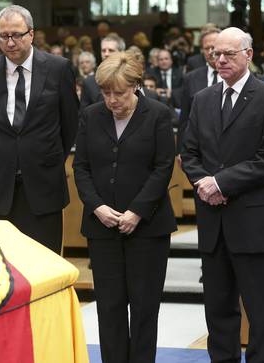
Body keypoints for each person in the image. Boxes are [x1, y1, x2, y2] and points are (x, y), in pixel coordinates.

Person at [181, 27, 264, 363]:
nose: (221, 60)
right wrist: (205, 184)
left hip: (251, 221)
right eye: (216, 54)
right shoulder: (203, 99)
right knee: (218, 308)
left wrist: (221, 183)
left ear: (249, 55)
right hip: (213, 222)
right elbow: (189, 153)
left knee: (258, 309)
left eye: (229, 54)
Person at [73, 51, 176, 363]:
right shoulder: (91, 115)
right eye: (106, 93)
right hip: (102, 227)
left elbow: (163, 167)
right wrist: (97, 207)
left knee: (145, 308)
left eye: (118, 93)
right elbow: (81, 168)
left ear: (136, 86)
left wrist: (137, 212)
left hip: (148, 228)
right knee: (110, 306)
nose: (112, 100)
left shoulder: (157, 114)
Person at [0, 5, 79, 254]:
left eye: (16, 35)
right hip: (1, 188)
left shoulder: (58, 69)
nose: (10, 42)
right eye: (3, 36)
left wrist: (46, 158)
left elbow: (70, 124)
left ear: (31, 34)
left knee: (45, 263)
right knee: (3, 267)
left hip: (44, 185)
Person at [177, 26, 221, 153]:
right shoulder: (191, 78)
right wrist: (180, 151)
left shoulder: (233, 76)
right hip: (198, 149)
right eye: (207, 48)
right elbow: (184, 118)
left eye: (215, 47)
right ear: (202, 50)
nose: (211, 51)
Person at [79, 33, 126, 109]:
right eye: (103, 51)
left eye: (111, 50)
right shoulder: (89, 82)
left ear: (121, 53)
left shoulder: (129, 78)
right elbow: (83, 115)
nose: (106, 54)